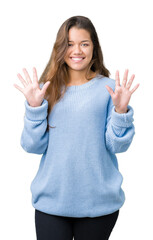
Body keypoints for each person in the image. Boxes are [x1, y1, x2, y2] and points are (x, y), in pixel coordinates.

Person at [14, 15, 140, 240]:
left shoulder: (111, 89)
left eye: (84, 43)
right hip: (51, 203)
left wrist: (121, 112)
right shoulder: (45, 90)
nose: (77, 50)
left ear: (94, 47)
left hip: (98, 204)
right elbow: (33, 145)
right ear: (61, 48)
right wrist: (34, 108)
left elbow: (116, 145)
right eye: (70, 44)